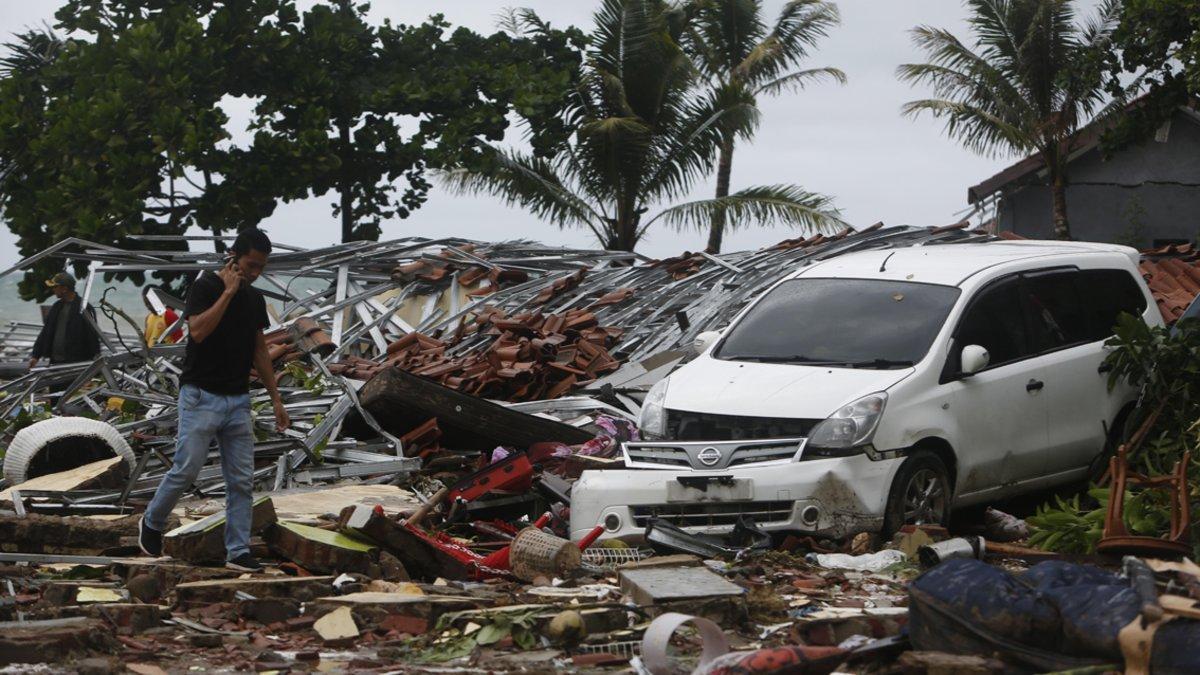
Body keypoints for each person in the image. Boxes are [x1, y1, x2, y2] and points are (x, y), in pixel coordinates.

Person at [138, 228, 290, 572]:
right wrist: (228, 293)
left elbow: (260, 349)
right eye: (250, 265)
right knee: (186, 468)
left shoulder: (254, 300)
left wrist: (276, 398)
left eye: (260, 268)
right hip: (200, 396)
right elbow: (198, 331)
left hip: (237, 401)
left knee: (241, 480)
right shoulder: (205, 286)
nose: (254, 273)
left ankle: (237, 552)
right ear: (234, 257)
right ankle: (152, 520)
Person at [29, 272, 101, 369]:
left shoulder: (84, 307)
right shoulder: (56, 307)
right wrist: (35, 356)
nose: (53, 289)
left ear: (64, 289)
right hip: (55, 361)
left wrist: (94, 363)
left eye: (55, 287)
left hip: (77, 363)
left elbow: (92, 337)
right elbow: (46, 332)